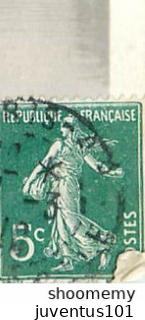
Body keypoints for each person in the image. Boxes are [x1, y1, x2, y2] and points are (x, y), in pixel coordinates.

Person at [22, 115, 123, 272]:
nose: (61, 128)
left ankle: (102, 246)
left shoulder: (61, 144)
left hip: (67, 186)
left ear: (69, 129)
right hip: (58, 186)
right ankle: (67, 259)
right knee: (60, 221)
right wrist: (111, 172)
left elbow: (44, 164)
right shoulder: (78, 146)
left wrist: (29, 183)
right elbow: (97, 166)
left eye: (63, 125)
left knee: (72, 223)